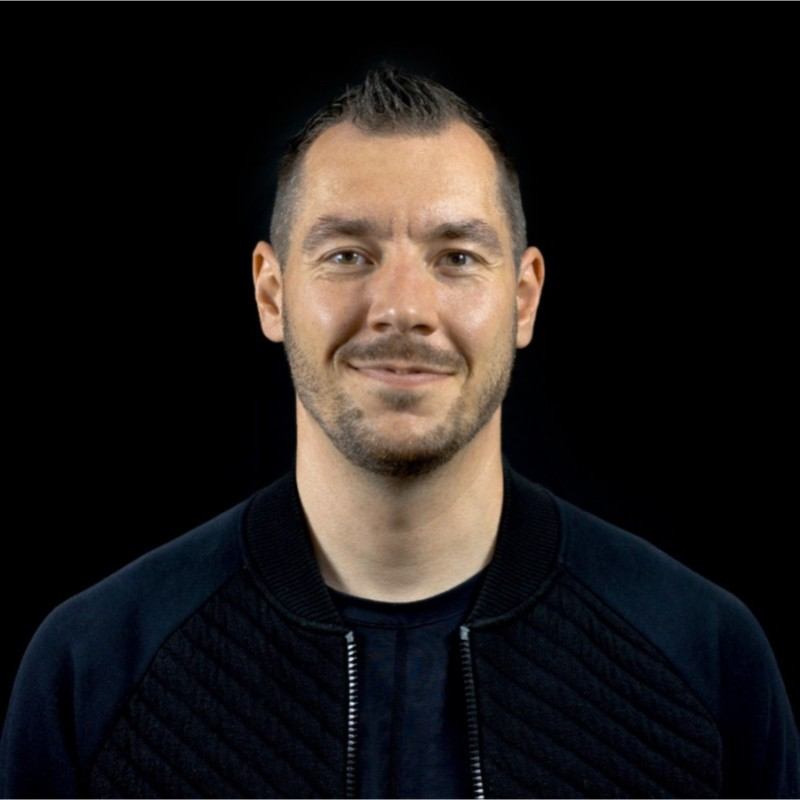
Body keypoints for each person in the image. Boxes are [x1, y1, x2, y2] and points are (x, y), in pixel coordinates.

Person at [1, 67, 797, 800]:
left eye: (457, 257)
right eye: (349, 254)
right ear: (272, 294)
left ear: (523, 300)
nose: (403, 308)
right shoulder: (94, 669)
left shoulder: (706, 659)